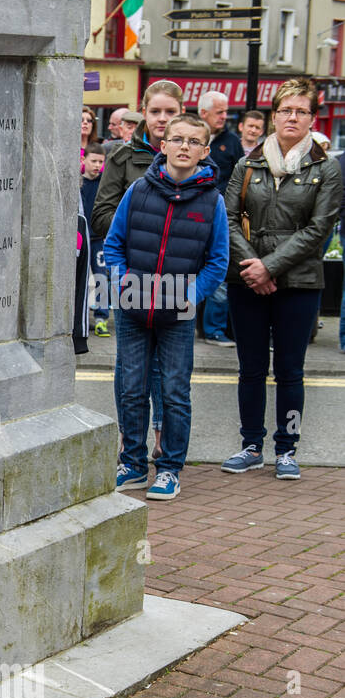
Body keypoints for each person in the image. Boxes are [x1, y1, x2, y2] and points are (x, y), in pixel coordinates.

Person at [220, 79, 343, 481]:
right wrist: (253, 266)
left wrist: (269, 267)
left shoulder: (326, 168)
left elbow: (318, 229)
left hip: (300, 283)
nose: (293, 117)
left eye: (301, 111)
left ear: (311, 118)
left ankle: (286, 449)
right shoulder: (247, 164)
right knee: (250, 368)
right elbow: (229, 220)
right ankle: (251, 445)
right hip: (246, 280)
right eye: (286, 110)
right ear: (274, 115)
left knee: (291, 370)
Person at [105, 113, 229, 501]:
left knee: (175, 391)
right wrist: (121, 280)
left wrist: (191, 296)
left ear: (204, 152)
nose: (183, 147)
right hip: (132, 306)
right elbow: (113, 245)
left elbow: (217, 261)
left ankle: (170, 468)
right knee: (130, 388)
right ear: (163, 145)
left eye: (193, 142)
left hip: (177, 311)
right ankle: (134, 464)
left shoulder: (212, 201)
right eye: (177, 139)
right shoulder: (138, 190)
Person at [94, 81, 187, 463]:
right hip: (133, 275)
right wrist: (144, 235)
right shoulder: (122, 157)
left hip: (177, 279)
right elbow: (101, 216)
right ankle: (129, 443)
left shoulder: (194, 156)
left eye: (170, 112)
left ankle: (164, 441)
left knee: (170, 373)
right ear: (143, 113)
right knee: (131, 371)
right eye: (156, 112)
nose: (162, 119)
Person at [196, 91, 243, 348]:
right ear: (204, 113)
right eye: (220, 112)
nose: (225, 117)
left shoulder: (231, 141)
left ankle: (213, 329)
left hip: (220, 214)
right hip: (191, 212)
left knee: (219, 272)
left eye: (226, 112)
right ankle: (195, 324)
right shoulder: (192, 134)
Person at [81, 142, 110, 336]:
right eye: (94, 161)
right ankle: (81, 319)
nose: (97, 165)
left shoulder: (105, 184)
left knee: (101, 277)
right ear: (84, 160)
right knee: (80, 280)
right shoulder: (78, 183)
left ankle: (101, 318)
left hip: (99, 238)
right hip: (82, 239)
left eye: (101, 162)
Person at [80, 105, 99, 170]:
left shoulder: (97, 149)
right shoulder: (68, 148)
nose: (85, 122)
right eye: (81, 120)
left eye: (89, 121)